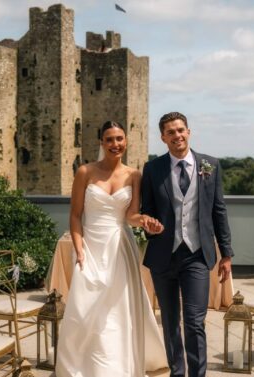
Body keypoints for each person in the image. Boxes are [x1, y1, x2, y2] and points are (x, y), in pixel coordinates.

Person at [56, 121, 168, 377]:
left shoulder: (134, 175)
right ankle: (80, 365)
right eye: (109, 139)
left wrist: (146, 222)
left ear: (126, 141)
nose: (115, 144)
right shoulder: (85, 171)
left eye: (119, 139)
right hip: (90, 246)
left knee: (117, 309)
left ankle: (115, 366)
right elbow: (75, 216)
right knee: (84, 309)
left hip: (120, 245)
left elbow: (131, 215)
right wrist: (79, 249)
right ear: (102, 143)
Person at [141, 112, 234, 377]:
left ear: (189, 132)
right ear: (163, 137)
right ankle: (177, 373)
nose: (177, 135)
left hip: (196, 255)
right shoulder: (153, 169)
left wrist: (226, 254)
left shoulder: (210, 165)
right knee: (171, 322)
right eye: (170, 132)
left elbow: (219, 211)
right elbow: (146, 208)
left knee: (194, 322)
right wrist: (150, 227)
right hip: (163, 257)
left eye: (180, 130)